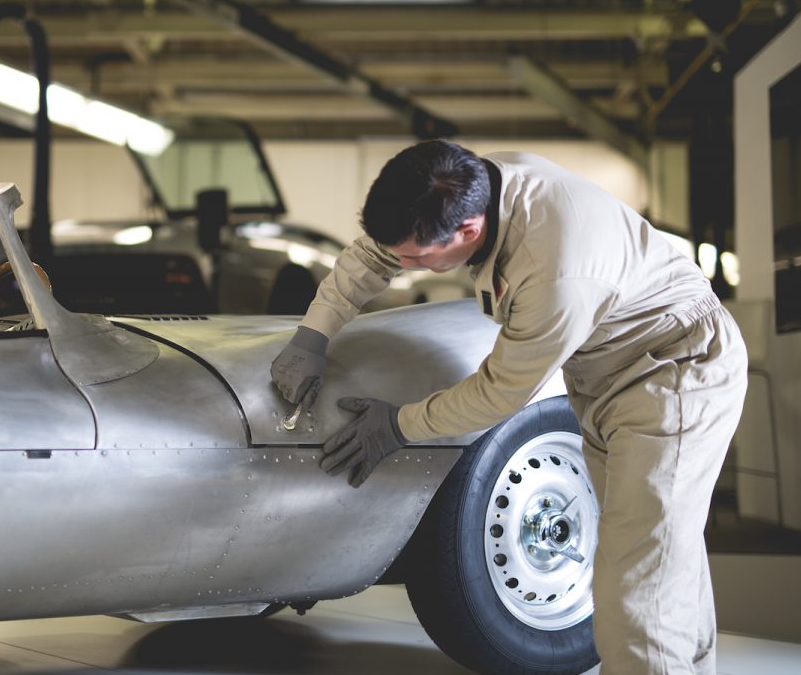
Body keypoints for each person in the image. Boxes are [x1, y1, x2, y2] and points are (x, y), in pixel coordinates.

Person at [269, 140, 747, 675]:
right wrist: (314, 333)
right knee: (659, 555)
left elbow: (499, 392)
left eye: (416, 260)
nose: (401, 266)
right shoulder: (469, 184)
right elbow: (375, 254)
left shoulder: (555, 268)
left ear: (468, 231)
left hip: (671, 372)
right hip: (609, 373)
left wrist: (398, 426)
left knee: (636, 580)